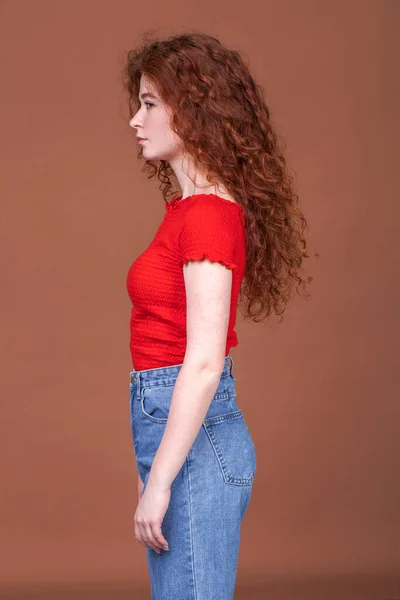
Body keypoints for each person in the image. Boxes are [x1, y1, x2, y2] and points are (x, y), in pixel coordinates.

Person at [122, 31, 315, 599]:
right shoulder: (187, 211)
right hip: (179, 435)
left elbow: (204, 363)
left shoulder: (207, 217)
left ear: (196, 110)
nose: (136, 119)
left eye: (151, 103)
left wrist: (159, 483)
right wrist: (154, 463)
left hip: (198, 444)